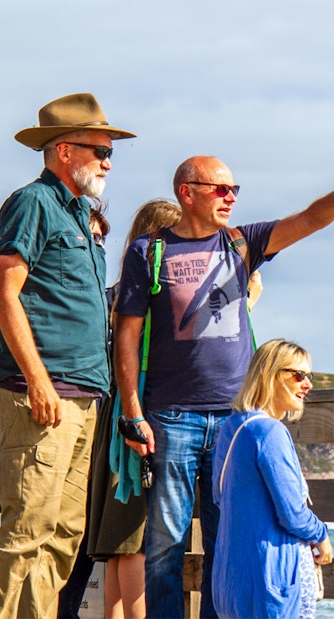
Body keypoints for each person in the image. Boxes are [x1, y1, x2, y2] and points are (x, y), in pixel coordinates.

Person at [114, 154, 334, 618]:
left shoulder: (242, 242)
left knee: (226, 544)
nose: (231, 198)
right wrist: (133, 413)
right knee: (163, 548)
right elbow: (127, 336)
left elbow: (313, 218)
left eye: (235, 190)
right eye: (220, 189)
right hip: (171, 415)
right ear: (186, 192)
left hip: (235, 421)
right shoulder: (148, 251)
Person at [0, 93, 135, 619]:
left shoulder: (83, 214)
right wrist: (38, 380)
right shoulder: (32, 203)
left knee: (64, 534)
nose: (108, 162)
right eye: (100, 151)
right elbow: (4, 295)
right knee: (26, 529)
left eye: (110, 153)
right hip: (44, 391)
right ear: (64, 150)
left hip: (85, 394)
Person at [89, 199, 182, 619]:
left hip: (111, 421)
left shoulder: (111, 296)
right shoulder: (153, 299)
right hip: (139, 421)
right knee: (137, 538)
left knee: (118, 541)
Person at [212, 339, 333, 618]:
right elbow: (292, 513)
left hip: (229, 578)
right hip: (269, 580)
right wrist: (321, 535)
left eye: (309, 376)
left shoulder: (231, 428)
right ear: (269, 374)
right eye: (298, 375)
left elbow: (220, 498)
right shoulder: (270, 432)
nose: (308, 384)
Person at [57, 204, 111, 619]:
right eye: (90, 239)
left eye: (100, 240)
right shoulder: (109, 302)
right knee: (67, 538)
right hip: (89, 436)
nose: (95, 249)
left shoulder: (104, 298)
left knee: (83, 540)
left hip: (104, 438)